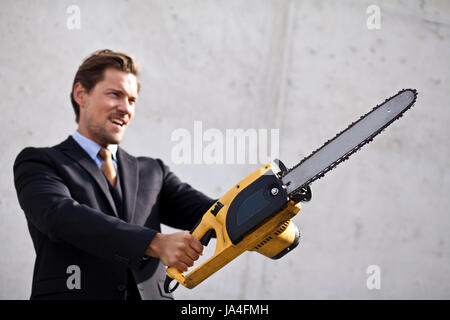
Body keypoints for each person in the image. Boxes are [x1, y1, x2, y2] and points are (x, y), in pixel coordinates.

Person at [13, 49, 215, 300]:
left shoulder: (153, 171)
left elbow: (213, 213)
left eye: (132, 100)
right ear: (80, 94)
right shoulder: (39, 162)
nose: (125, 108)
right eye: (115, 95)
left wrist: (267, 204)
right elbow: (61, 217)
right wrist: (154, 242)